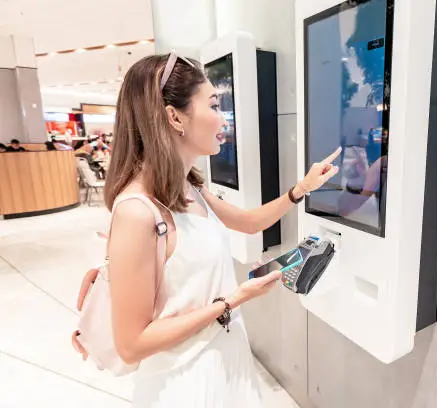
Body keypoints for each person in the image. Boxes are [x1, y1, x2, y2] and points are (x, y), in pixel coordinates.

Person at [72, 52, 340, 407]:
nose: (222, 119)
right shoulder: (137, 211)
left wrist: (301, 188)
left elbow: (249, 221)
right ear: (174, 117)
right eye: (214, 105)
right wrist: (233, 300)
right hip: (184, 382)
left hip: (226, 358)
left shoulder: (190, 187)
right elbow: (132, 343)